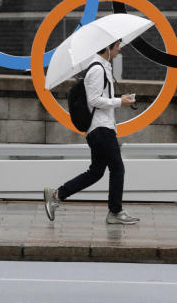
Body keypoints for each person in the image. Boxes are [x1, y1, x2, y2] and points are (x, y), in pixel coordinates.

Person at [43, 40, 138, 225]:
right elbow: (94, 100)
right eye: (117, 45)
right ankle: (115, 212)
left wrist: (120, 99)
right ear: (107, 47)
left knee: (95, 172)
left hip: (101, 128)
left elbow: (100, 99)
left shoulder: (103, 67)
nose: (119, 48)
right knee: (117, 169)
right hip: (101, 129)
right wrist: (119, 102)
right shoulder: (97, 69)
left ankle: (56, 195)